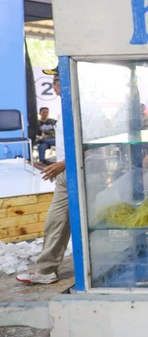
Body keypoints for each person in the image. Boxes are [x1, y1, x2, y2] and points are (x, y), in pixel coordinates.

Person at [17, 68, 68, 285]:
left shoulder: (80, 108)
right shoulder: (66, 108)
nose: (54, 84)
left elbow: (92, 145)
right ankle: (47, 269)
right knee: (57, 221)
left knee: (57, 220)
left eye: (56, 79)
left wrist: (62, 165)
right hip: (68, 172)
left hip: (76, 172)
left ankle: (47, 269)